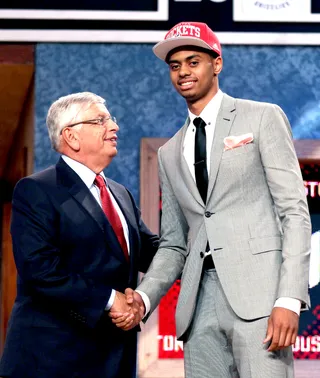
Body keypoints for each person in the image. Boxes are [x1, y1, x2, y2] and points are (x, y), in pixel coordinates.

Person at [110, 22, 311, 377]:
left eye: (193, 61)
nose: (183, 72)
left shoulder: (262, 117)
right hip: (197, 305)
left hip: (260, 300)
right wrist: (142, 297)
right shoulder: (170, 152)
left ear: (216, 64)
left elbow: (294, 212)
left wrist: (288, 299)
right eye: (175, 66)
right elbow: (173, 244)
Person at [0, 92, 159, 378]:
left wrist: (205, 247)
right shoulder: (36, 190)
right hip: (53, 360)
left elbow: (152, 253)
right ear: (71, 137)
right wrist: (112, 299)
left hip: (115, 358)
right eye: (101, 120)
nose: (114, 127)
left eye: (110, 119)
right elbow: (41, 271)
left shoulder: (120, 194)